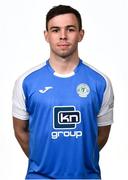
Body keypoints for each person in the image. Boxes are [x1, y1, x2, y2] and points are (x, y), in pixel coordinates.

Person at [12, 4, 114, 180]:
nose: (63, 36)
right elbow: (20, 131)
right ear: (46, 35)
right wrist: (44, 161)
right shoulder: (26, 81)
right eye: (55, 30)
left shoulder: (100, 82)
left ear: (81, 34)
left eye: (70, 29)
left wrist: (78, 161)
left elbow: (102, 134)